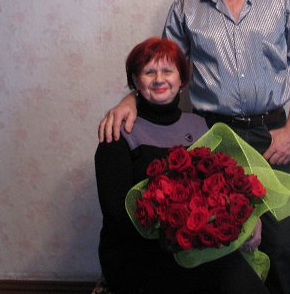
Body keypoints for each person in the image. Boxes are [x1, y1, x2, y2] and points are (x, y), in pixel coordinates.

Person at [99, 0, 290, 294]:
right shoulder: (186, 6)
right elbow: (163, 69)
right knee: (215, 242)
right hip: (211, 139)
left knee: (279, 241)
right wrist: (130, 99)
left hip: (270, 136)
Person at [95, 37, 268, 294]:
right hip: (140, 252)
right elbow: (117, 216)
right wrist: (180, 233)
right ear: (135, 81)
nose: (159, 79)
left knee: (242, 280)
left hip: (198, 247)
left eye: (167, 71)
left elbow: (227, 188)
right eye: (149, 72)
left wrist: (249, 218)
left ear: (181, 79)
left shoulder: (200, 126)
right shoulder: (117, 132)